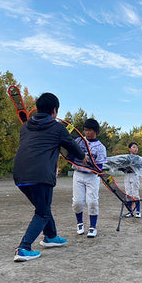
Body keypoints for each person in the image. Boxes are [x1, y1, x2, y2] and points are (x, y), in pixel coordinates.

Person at [13, 92, 86, 262]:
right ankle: (23, 248)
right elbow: (73, 147)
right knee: (42, 212)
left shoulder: (25, 127)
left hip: (20, 175)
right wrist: (83, 157)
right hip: (40, 175)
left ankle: (51, 236)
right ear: (54, 110)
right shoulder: (57, 127)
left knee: (43, 207)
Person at [72, 118, 107, 238]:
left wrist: (90, 163)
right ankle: (80, 223)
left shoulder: (100, 147)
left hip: (92, 177)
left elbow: (100, 167)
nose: (87, 133)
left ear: (96, 131)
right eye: (85, 130)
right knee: (77, 202)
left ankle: (93, 227)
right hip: (78, 174)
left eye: (90, 130)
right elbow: (70, 154)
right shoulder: (78, 141)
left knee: (92, 202)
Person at [123, 142, 142, 218]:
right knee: (128, 194)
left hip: (134, 175)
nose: (136, 149)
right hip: (127, 175)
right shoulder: (126, 158)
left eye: (137, 147)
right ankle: (130, 211)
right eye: (134, 147)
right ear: (129, 149)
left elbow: (140, 167)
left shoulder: (138, 159)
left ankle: (138, 211)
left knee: (135, 194)